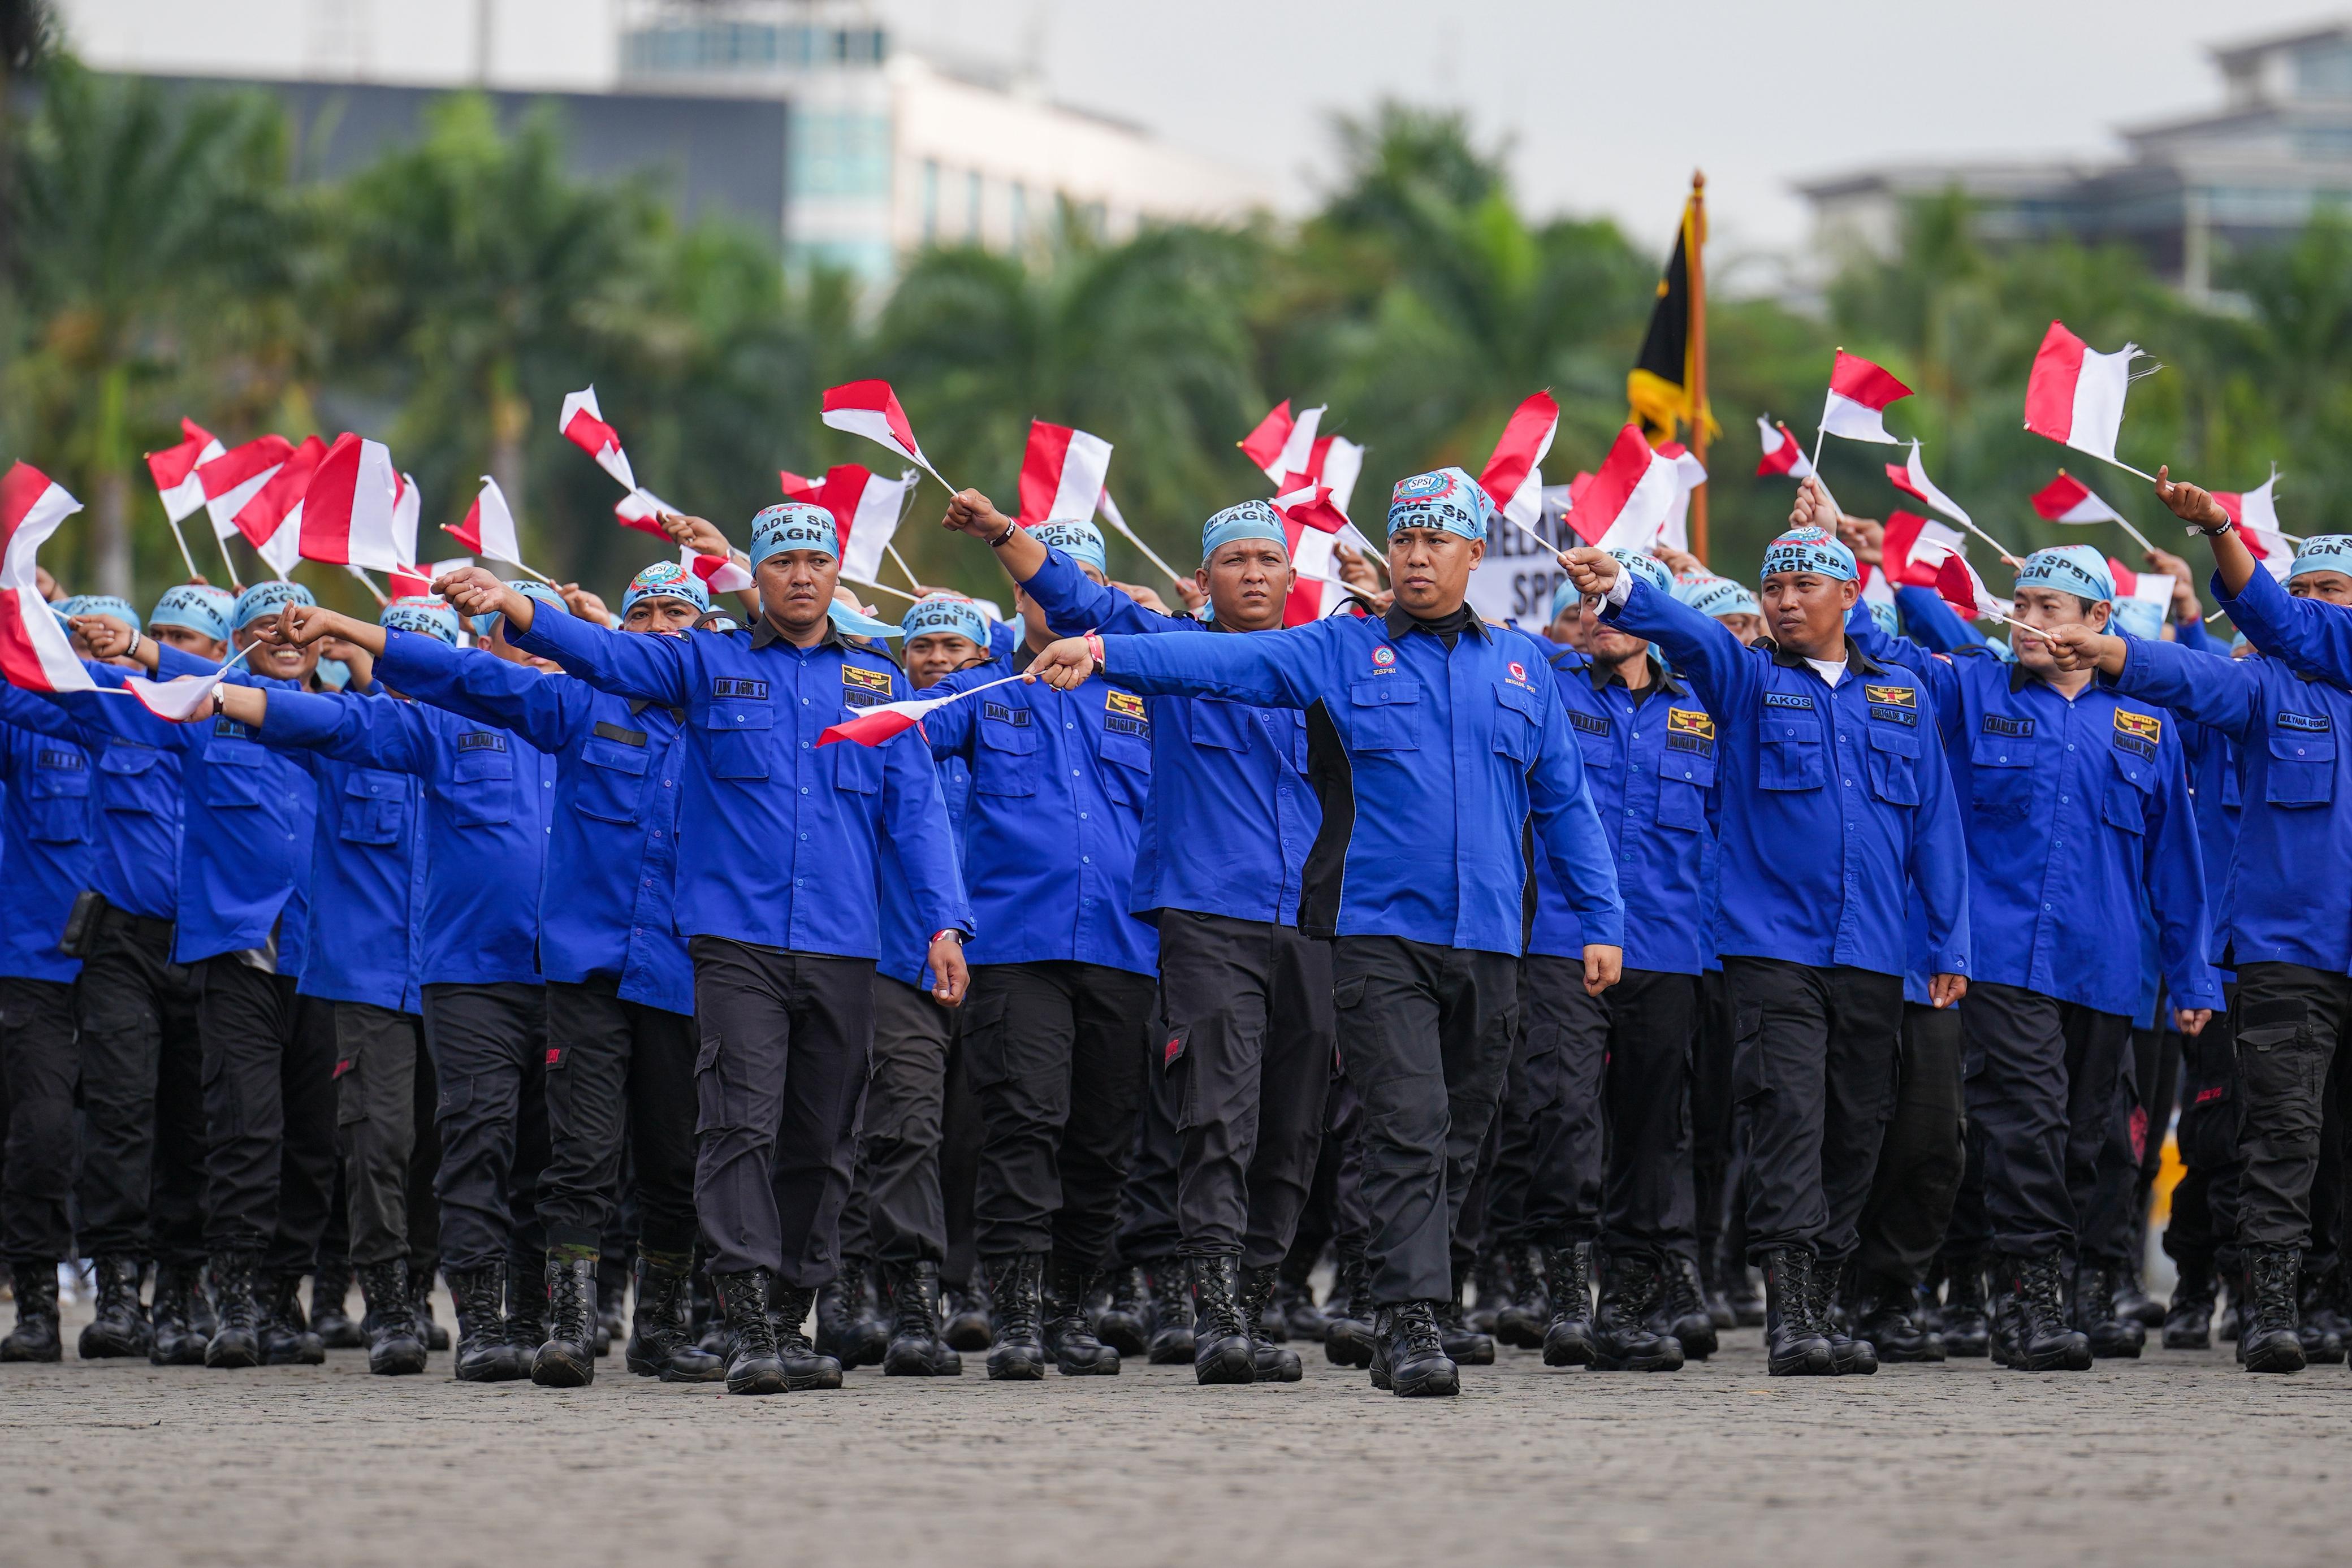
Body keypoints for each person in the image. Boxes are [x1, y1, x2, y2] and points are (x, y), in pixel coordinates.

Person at [1027, 466, 1624, 1398]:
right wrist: (1106, 651)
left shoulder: (1523, 669)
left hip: (1491, 937)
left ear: (1475, 554)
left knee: (1461, 1130)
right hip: (1374, 930)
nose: (1418, 556)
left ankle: (1399, 1303)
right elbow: (1223, 663)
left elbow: (1567, 802)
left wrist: (1603, 919)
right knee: (1408, 1122)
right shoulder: (1341, 652)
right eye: (1406, 541)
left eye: (1438, 541)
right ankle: (1409, 1315)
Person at [436, 503, 971, 1398]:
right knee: (735, 1125)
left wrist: (943, 923)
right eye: (783, 561)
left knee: (824, 1139)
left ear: (840, 573)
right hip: (733, 943)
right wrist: (518, 609)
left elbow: (915, 813)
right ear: (751, 577)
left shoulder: (881, 684)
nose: (801, 575)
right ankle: (747, 1317)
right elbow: (606, 657)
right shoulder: (704, 662)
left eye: (817, 559)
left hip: (845, 941)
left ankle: (794, 1310)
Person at [269, 567, 727, 1388]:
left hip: (675, 966)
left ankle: (657, 1326)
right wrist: (316, 649)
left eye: (677, 612)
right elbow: (437, 685)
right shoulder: (572, 709)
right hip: (532, 972)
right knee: (518, 1146)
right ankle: (509, 1322)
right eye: (642, 611)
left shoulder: (733, 722)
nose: (659, 625)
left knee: (669, 1153)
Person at [1558, 516, 1969, 1378]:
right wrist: (1625, 588)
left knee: (1859, 1124)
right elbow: (1694, 634)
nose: (1783, 602)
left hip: (1872, 950)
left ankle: (1827, 1296)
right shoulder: (1743, 682)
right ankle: (1792, 1315)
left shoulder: (1901, 695)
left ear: (1848, 596)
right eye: (1773, 589)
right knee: (1789, 1112)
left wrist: (1946, 940)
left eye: (1803, 587)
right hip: (1771, 947)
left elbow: (1935, 822)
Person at [948, 492, 1331, 1386]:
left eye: (1269, 559)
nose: (1254, 573)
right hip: (1206, 916)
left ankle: (1259, 1293)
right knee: (1218, 1117)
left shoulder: (1328, 658)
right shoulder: (1161, 651)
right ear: (1203, 580)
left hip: (1313, 921)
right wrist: (1006, 534)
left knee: (1293, 1125)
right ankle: (1218, 1311)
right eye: (1234, 559)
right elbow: (1079, 604)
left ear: (1291, 575)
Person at [1840, 525, 2216, 1372]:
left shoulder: (2147, 725)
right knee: (2028, 1125)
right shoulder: (1974, 688)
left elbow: (2178, 865)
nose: (2028, 620)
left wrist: (2192, 976)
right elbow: (1877, 646)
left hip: (2107, 966)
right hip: (1999, 957)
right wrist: (1851, 556)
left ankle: (2079, 1279)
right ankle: (2028, 1299)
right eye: (2021, 605)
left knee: (2091, 1138)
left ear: (2098, 619)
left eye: (2050, 607)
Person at [191, 583, 563, 1383]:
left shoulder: (498, 730)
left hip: (466, 968)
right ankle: (388, 1300)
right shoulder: (367, 729)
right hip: (369, 971)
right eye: (401, 662)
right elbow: (310, 715)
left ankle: (436, 1290)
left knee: (448, 1139)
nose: (412, 680)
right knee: (377, 1138)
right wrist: (215, 686)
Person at [2047, 474, 2352, 1372]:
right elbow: (2194, 676)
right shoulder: (2268, 691)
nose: (2303, 609)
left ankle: (2338, 1296)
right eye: (2296, 591)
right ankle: (2273, 1303)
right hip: (2285, 952)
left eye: (2327, 590)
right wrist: (2111, 652)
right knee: (2280, 1133)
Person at [911, 514, 1160, 1382]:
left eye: (1072, 582)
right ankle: (1012, 1312)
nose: (1052, 598)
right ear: (1017, 596)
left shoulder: (1140, 692)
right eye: (1036, 584)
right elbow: (903, 740)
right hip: (1017, 946)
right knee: (1024, 1123)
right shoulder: (982, 690)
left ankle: (1073, 1312)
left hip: (1126, 946)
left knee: (1101, 1136)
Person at [71, 582, 334, 1370]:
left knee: (315, 1145)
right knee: (242, 1132)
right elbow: (138, 688)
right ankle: (237, 1297)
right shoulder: (203, 715)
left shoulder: (348, 725)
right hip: (234, 955)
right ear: (235, 645)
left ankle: (286, 1292)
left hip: (323, 962)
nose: (284, 638)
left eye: (301, 627)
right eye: (263, 627)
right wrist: (125, 648)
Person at [1524, 549, 1718, 1372]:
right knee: (1563, 1109)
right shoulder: (1544, 684)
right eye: (1587, 601)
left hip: (1669, 944)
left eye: (1617, 600)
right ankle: (1567, 1294)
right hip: (1561, 936)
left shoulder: (1704, 706)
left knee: (1650, 1126)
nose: (1599, 613)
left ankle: (1633, 1299)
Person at [0, 607, 102, 1363]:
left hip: (138, 965)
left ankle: (149, 1293)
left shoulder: (148, 717)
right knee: (40, 1135)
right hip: (35, 966)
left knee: (148, 1137)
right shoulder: (24, 726)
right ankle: (36, 1301)